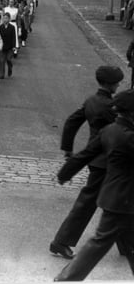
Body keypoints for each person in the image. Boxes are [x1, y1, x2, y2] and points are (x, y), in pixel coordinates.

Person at [54, 88, 134, 281]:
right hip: (123, 201)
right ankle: (66, 279)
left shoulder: (109, 131)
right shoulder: (129, 137)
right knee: (99, 243)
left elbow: (85, 154)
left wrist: (65, 173)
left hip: (117, 197)